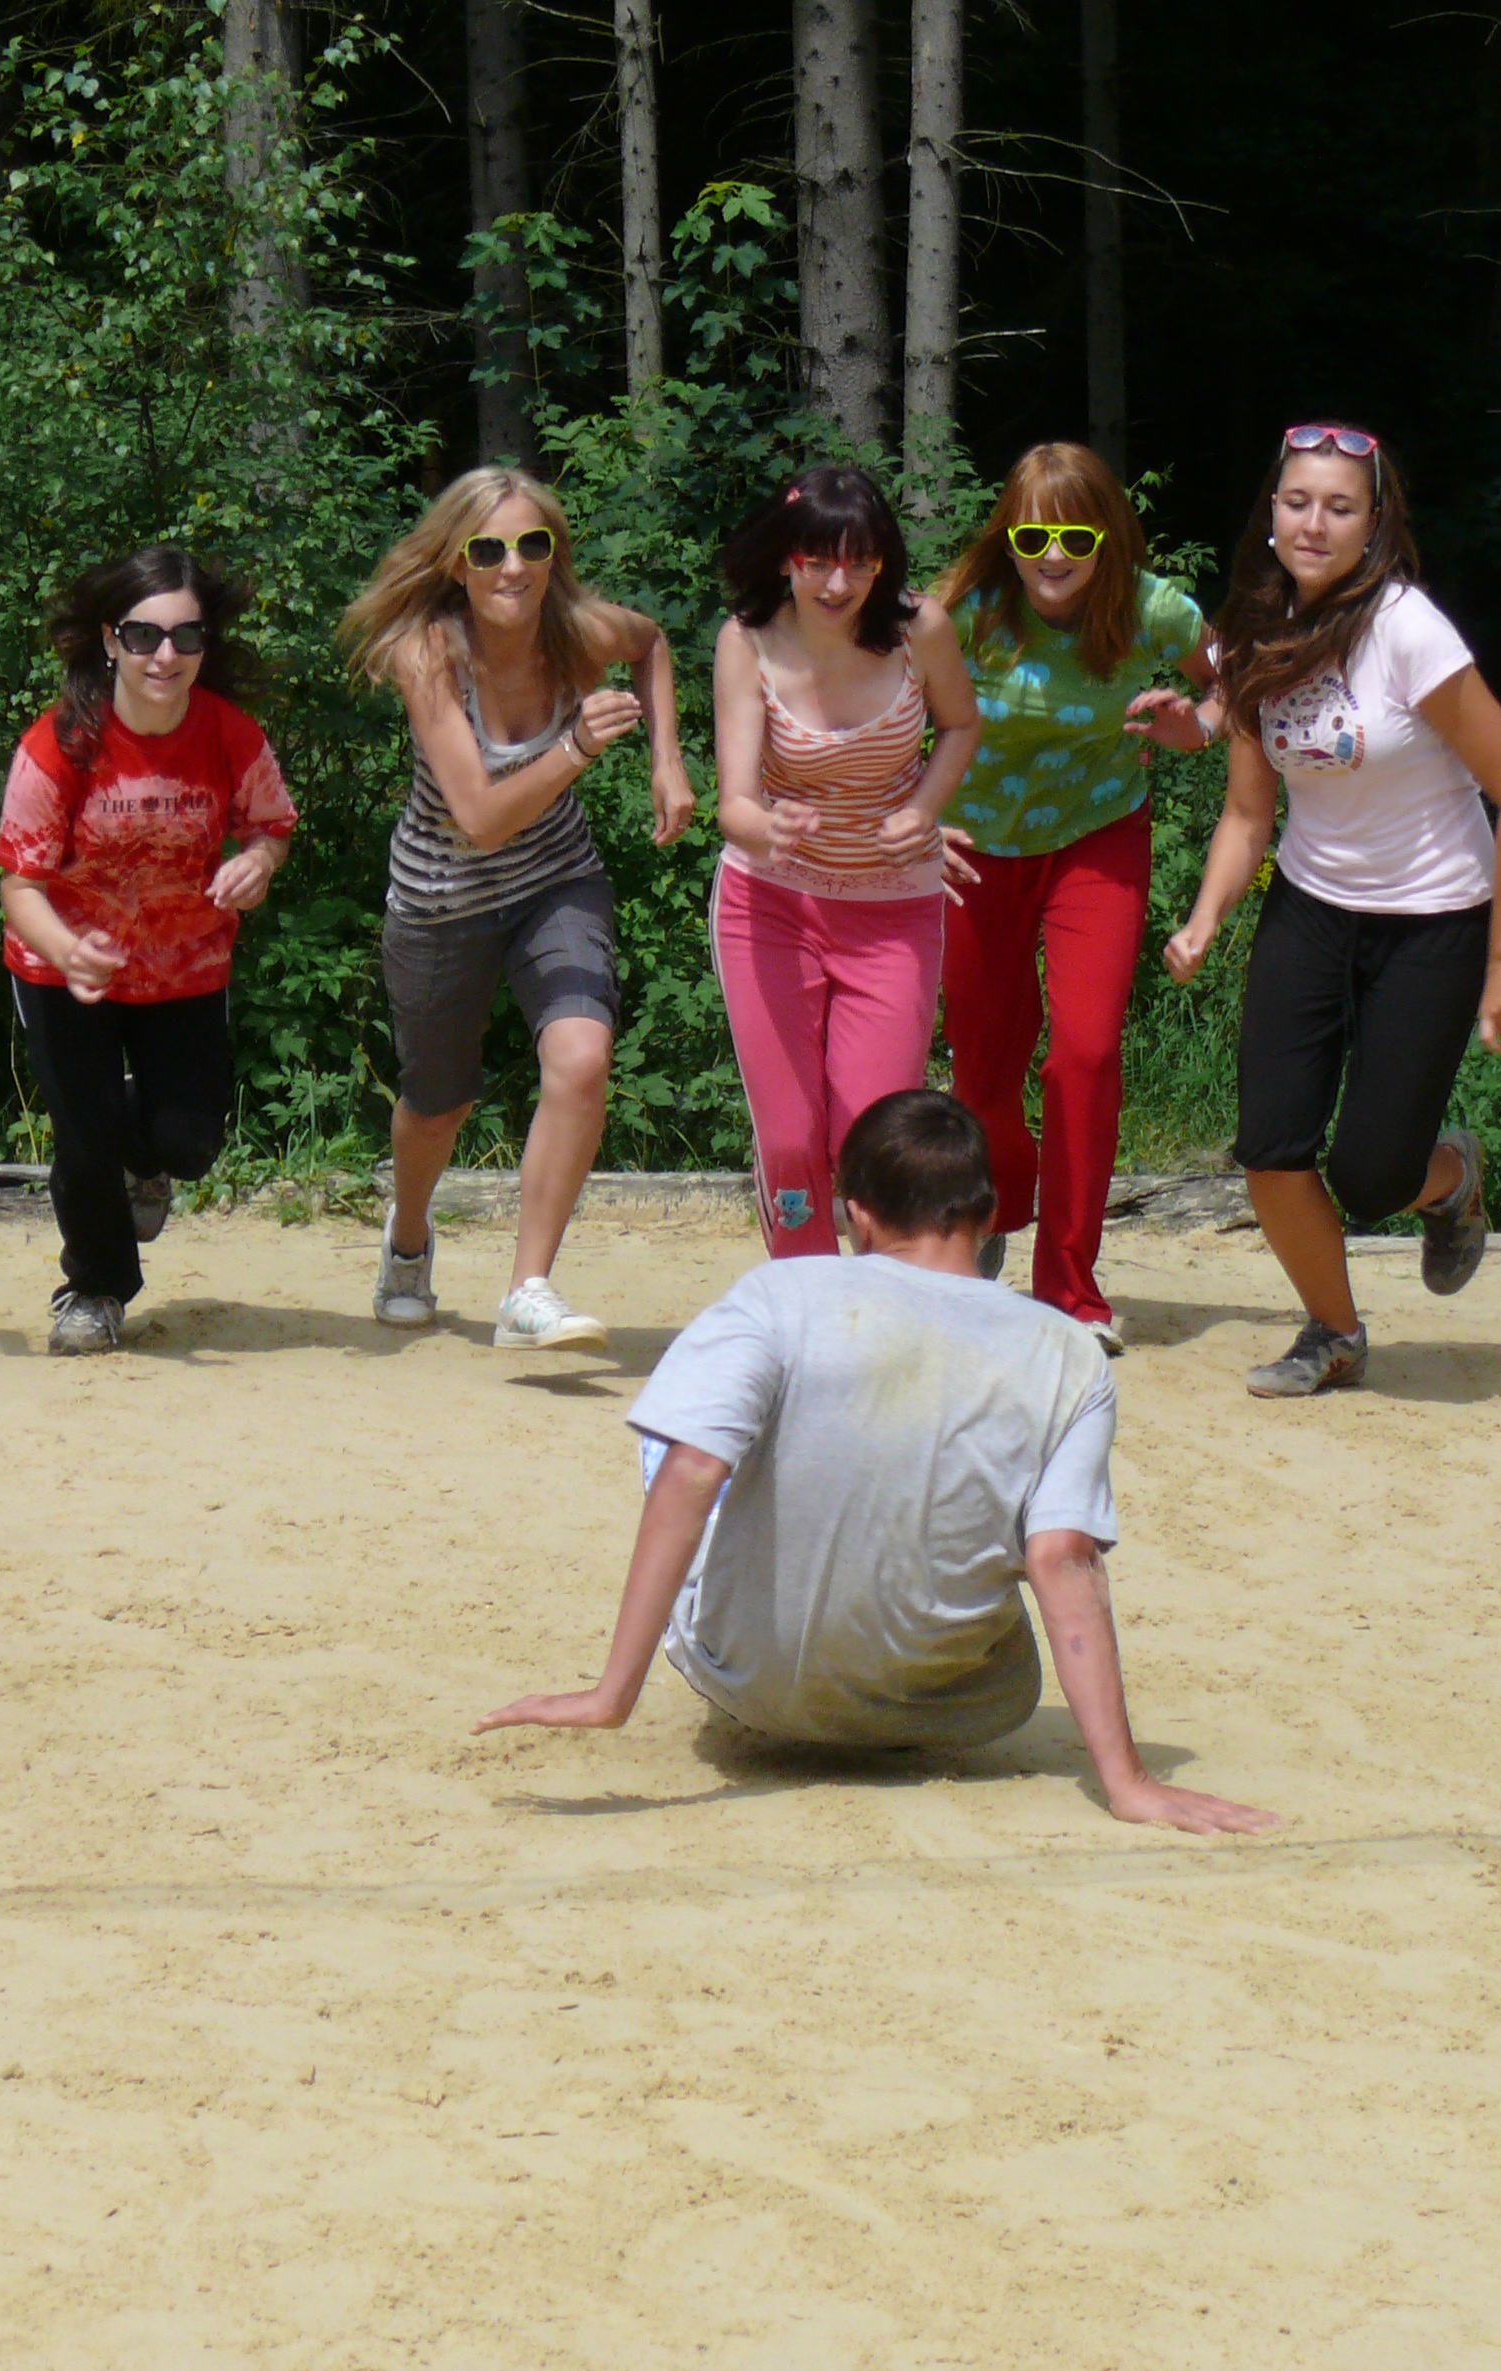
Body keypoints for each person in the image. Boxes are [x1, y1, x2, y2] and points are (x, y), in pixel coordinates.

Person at [476, 1089, 1278, 1838]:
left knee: (680, 1434)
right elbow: (1062, 1556)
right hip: (957, 1706)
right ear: (988, 1214)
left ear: (857, 1213)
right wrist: (1128, 1782)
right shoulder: (1072, 1353)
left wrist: (613, 1693)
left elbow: (693, 1472)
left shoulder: (778, 1294)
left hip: (753, 1683)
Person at [1163, 423, 1501, 1398]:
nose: (1314, 523)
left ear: (1374, 524)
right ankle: (1333, 1332)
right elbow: (1248, 812)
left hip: (1435, 917)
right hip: (1310, 907)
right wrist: (1205, 918)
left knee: (1373, 1177)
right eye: (1298, 502)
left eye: (1340, 507)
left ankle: (1451, 1179)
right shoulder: (1254, 631)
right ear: (1273, 511)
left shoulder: (1409, 630)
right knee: (1270, 1148)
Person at [338, 466, 695, 1350]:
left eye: (532, 545)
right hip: (442, 901)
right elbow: (482, 819)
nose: (513, 566)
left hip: (555, 880)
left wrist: (666, 760)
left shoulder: (580, 631)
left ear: (553, 556)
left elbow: (651, 643)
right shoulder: (429, 655)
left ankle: (527, 1289)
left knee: (582, 1057)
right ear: (456, 564)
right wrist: (576, 747)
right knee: (436, 1106)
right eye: (488, 549)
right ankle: (408, 1239)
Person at [931, 440, 1223, 1349]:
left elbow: (1231, 682)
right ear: (1007, 539)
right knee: (984, 1073)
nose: (1052, 555)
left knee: (1086, 1054)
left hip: (1098, 836)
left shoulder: (1153, 609)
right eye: (1032, 536)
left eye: (1074, 536)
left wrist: (1197, 725)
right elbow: (887, 713)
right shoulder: (964, 612)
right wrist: (913, 818)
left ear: (1108, 538)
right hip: (974, 851)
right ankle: (996, 1201)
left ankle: (1069, 1290)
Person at [0, 543, 297, 1353]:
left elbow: (270, 828)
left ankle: (143, 1153)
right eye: (144, 635)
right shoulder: (59, 745)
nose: (165, 655)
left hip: (185, 968)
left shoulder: (229, 734)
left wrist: (258, 864)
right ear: (110, 640)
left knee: (188, 1144)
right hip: (65, 972)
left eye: (185, 637)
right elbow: (18, 886)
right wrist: (69, 951)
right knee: (83, 1134)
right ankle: (95, 1289)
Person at [709, 464, 980, 1260]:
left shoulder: (919, 629)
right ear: (784, 558)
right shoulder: (746, 640)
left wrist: (922, 810)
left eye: (861, 563)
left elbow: (961, 725)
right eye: (819, 561)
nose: (838, 583)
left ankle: (879, 1299)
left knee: (872, 1135)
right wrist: (767, 827)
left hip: (893, 913)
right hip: (770, 905)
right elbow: (734, 804)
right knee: (791, 1138)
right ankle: (804, 1295)